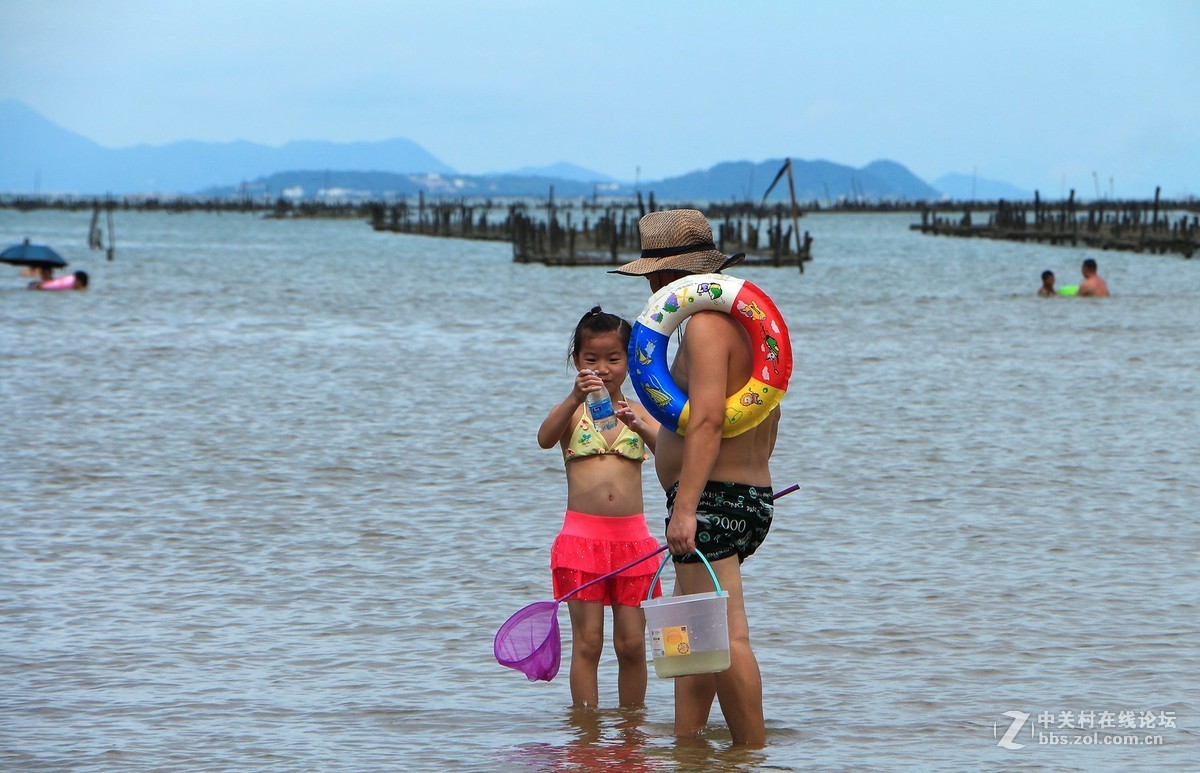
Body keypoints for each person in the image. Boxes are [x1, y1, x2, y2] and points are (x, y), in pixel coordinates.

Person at [611, 209, 780, 746]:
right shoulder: (745, 330)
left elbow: (707, 419)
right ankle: (689, 747)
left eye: (654, 277)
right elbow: (739, 425)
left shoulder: (706, 327)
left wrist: (686, 506)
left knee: (726, 636)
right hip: (739, 495)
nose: (654, 287)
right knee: (693, 637)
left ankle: (751, 753)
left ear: (668, 278)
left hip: (711, 500)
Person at [536, 306, 664, 708]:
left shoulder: (640, 412)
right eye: (592, 359)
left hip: (634, 545)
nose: (603, 368)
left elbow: (670, 457)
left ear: (629, 361)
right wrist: (574, 396)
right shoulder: (573, 412)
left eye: (613, 359)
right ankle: (585, 730)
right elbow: (544, 438)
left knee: (631, 646)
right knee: (588, 644)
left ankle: (632, 729)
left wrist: (639, 425)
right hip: (582, 544)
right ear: (577, 361)